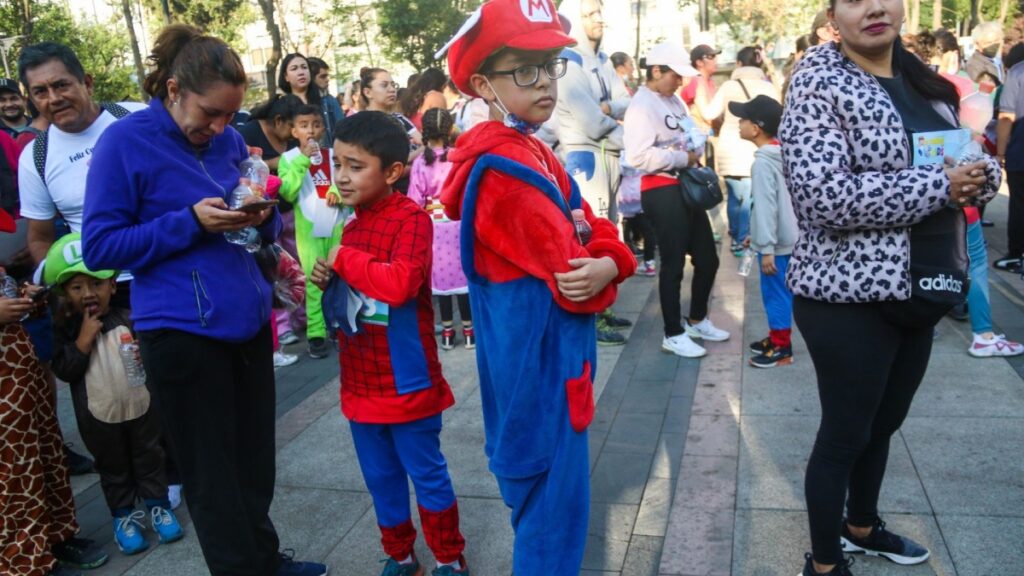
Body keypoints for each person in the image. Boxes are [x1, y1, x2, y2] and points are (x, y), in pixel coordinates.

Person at [80, 24, 325, 576]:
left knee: (254, 464)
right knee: (211, 476)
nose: (218, 128)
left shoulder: (229, 140)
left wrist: (259, 217)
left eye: (228, 116)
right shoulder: (125, 142)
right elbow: (100, 247)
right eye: (209, 114)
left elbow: (247, 217)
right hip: (180, 333)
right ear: (172, 90)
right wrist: (188, 222)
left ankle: (264, 559)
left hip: (245, 320)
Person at [781, 0, 1001, 573]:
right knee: (845, 433)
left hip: (923, 286)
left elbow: (965, 156)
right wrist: (940, 187)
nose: (875, 7)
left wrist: (981, 176)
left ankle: (861, 525)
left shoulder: (923, 80)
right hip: (846, 295)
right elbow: (822, 197)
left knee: (884, 424)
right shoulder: (817, 82)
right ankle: (825, 563)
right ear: (833, 14)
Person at [437, 0, 636, 571]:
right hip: (542, 374)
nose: (546, 82)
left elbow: (588, 220)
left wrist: (610, 254)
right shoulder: (507, 172)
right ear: (483, 83)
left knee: (548, 511)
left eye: (551, 66)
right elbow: (579, 283)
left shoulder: (530, 149)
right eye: (525, 70)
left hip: (541, 370)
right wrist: (608, 264)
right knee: (551, 525)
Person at [310, 111, 468, 576]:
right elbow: (356, 289)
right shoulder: (350, 223)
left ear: (393, 172)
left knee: (427, 474)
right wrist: (329, 278)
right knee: (381, 479)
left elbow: (399, 284)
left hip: (406, 379)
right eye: (338, 163)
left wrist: (344, 258)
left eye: (356, 166)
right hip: (361, 380)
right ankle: (400, 555)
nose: (342, 175)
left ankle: (448, 558)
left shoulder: (411, 219)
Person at [46, 233, 184, 556]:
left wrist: (142, 350)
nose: (88, 294)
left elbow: (151, 353)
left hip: (141, 408)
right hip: (99, 418)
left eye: (95, 284)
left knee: (150, 458)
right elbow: (65, 370)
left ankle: (158, 506)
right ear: (66, 293)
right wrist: (82, 341)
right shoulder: (67, 331)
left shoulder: (129, 316)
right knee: (113, 467)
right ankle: (123, 518)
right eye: (77, 288)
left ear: (111, 284)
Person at [625, 42, 730, 359]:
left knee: (707, 258)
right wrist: (682, 157)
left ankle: (697, 319)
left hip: (683, 185)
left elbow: (686, 132)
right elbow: (638, 155)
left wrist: (695, 143)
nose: (680, 82)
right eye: (674, 75)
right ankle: (672, 332)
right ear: (656, 71)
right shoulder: (641, 106)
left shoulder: (673, 101)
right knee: (672, 264)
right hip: (660, 189)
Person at [556, 0, 633, 345]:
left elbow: (625, 100)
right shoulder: (568, 64)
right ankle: (594, 314)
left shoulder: (602, 61)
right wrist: (620, 129)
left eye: (600, 12)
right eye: (589, 14)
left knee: (609, 230)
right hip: (584, 160)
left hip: (607, 155)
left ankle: (605, 305)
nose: (598, 19)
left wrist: (609, 110)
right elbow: (591, 123)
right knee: (590, 234)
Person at [277, 102, 347, 359]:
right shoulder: (289, 159)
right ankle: (316, 333)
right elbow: (287, 191)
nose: (311, 131)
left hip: (336, 224)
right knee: (315, 280)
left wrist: (336, 192)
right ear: (294, 131)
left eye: (316, 125)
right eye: (304, 126)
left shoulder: (332, 155)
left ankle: (338, 326)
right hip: (309, 229)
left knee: (340, 276)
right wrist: (304, 159)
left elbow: (343, 180)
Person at [696, 45, 780, 255]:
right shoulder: (768, 87)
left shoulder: (728, 86)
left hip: (729, 148)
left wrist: (698, 94)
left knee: (735, 196)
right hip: (753, 148)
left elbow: (709, 112)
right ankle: (741, 238)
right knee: (748, 198)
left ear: (739, 64)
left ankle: (736, 236)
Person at [731, 95, 795, 368]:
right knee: (779, 291)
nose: (739, 123)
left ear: (756, 128)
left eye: (743, 119)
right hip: (784, 237)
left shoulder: (763, 163)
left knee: (775, 293)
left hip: (776, 244)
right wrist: (755, 234)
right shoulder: (781, 154)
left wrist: (765, 246)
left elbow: (768, 206)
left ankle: (782, 347)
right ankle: (776, 337)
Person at [407, 107, 474, 349]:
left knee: (442, 281)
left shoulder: (420, 163)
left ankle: (447, 331)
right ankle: (469, 331)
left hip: (434, 227)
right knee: (462, 277)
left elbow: (414, 201)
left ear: (424, 130)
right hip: (458, 222)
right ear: (449, 129)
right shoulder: (458, 158)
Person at [360, 67, 423, 194]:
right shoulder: (361, 122)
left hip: (410, 189)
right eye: (384, 85)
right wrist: (409, 164)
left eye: (393, 85)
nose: (392, 89)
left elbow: (426, 144)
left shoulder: (399, 118)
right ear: (367, 92)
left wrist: (407, 162)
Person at [995, 59, 1024, 271]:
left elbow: (1006, 116)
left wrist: (1000, 153)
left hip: (1020, 152)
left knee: (1019, 205)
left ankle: (1017, 253)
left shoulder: (1018, 72)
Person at [278, 53, 342, 147]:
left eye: (304, 67)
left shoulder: (327, 102)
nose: (301, 72)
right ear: (286, 76)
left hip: (328, 158)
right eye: (294, 68)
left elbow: (342, 133)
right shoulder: (280, 106)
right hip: (296, 159)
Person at [679, 44, 720, 134]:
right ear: (699, 62)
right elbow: (707, 115)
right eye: (711, 57)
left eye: (715, 56)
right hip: (698, 136)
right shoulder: (695, 81)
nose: (715, 60)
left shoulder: (709, 81)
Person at [306, 56, 344, 144]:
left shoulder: (330, 100)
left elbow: (342, 129)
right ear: (311, 78)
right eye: (322, 77)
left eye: (327, 76)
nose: (327, 80)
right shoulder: (300, 101)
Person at [967, 22, 1004, 87]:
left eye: (996, 40)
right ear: (977, 44)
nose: (994, 45)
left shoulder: (1001, 60)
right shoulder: (974, 66)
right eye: (989, 43)